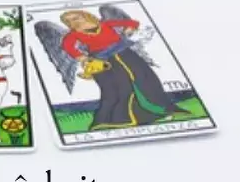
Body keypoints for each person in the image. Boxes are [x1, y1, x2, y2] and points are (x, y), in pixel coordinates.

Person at [60, 10, 188, 130]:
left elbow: (132, 22)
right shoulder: (73, 35)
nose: (73, 22)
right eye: (68, 21)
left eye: (76, 18)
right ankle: (118, 119)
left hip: (126, 54)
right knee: (118, 88)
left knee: (144, 79)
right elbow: (67, 46)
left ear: (85, 16)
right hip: (103, 61)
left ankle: (161, 111)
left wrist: (129, 29)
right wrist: (82, 57)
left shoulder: (106, 24)